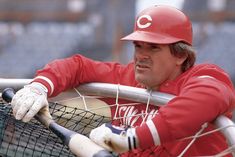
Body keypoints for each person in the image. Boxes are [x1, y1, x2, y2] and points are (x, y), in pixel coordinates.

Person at [11, 5, 235, 157]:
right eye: (138, 45)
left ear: (181, 55)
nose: (141, 55)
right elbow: (77, 66)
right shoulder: (125, 76)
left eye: (153, 47)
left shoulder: (204, 76)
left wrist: (133, 137)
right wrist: (40, 86)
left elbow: (208, 96)